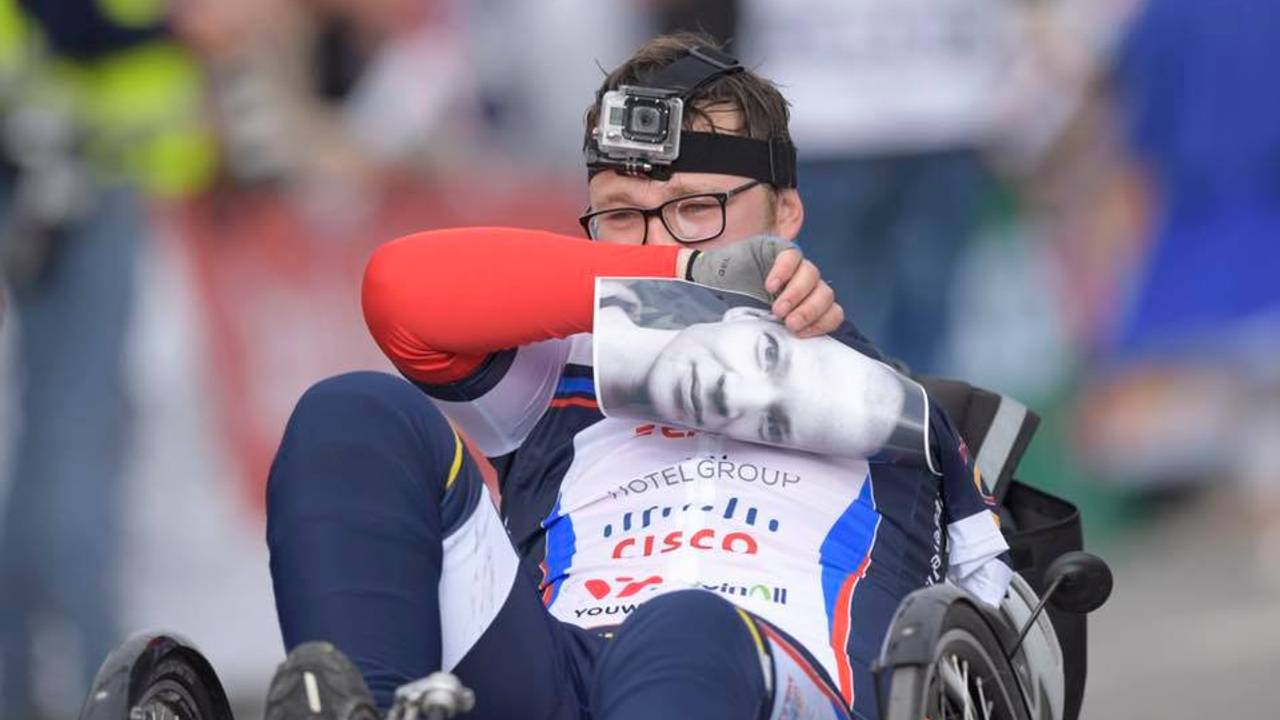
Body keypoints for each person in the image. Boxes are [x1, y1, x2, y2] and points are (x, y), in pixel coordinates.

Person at [264, 33, 1009, 720]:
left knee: (681, 623)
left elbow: (1009, 630)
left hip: (767, 670)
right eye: (621, 215)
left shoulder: (899, 409)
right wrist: (687, 270)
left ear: (786, 214)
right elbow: (400, 291)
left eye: (694, 209)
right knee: (351, 411)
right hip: (555, 669)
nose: (654, 236)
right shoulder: (561, 364)